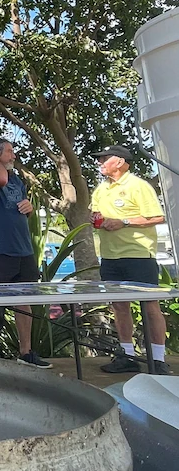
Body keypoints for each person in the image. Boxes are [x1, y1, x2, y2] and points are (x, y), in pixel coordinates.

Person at [0, 138, 52, 368]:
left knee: (24, 300)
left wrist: (29, 208)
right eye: (9, 151)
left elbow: (20, 207)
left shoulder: (16, 179)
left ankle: (25, 353)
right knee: (0, 301)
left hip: (23, 249)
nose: (13, 156)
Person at [92, 146, 172, 376]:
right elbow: (96, 215)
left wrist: (124, 222)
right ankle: (127, 355)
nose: (100, 163)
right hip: (110, 257)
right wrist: (95, 219)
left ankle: (158, 359)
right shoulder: (101, 189)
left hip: (138, 255)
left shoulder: (138, 186)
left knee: (150, 305)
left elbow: (157, 216)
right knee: (119, 306)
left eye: (104, 159)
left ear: (120, 162)